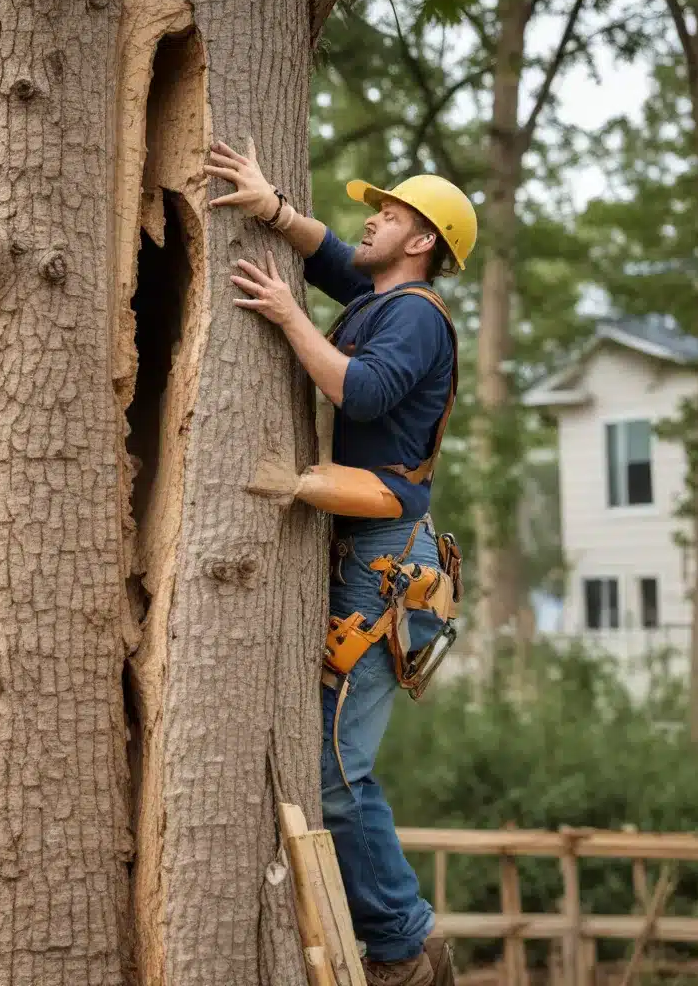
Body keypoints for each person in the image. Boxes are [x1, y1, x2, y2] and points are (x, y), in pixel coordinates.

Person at [204, 139, 477, 986]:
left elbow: (358, 391)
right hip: (372, 549)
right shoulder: (384, 297)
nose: (372, 217)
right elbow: (330, 257)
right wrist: (270, 207)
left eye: (390, 214)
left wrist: (287, 316)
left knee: (335, 770)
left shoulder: (417, 316)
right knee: (328, 761)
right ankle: (399, 931)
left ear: (422, 241)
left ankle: (403, 942)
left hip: (387, 563)